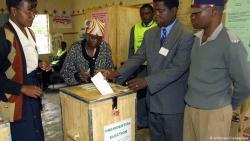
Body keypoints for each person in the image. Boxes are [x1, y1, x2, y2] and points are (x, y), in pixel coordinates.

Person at [99, 0, 194, 140]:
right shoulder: (150, 34)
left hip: (172, 105)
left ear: (174, 10)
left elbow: (177, 68)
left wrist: (147, 81)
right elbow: (137, 57)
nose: (156, 15)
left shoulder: (185, 35)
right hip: (153, 101)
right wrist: (116, 73)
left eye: (160, 11)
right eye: (155, 10)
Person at [184, 0, 250, 141]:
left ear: (214, 11)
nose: (192, 16)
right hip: (190, 109)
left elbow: (245, 84)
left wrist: (227, 105)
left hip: (214, 113)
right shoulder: (196, 39)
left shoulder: (230, 43)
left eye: (197, 12)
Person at [0, 0, 52, 141]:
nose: (33, 15)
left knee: (37, 132)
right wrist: (21, 88)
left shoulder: (30, 33)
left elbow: (24, 61)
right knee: (24, 134)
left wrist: (40, 64)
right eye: (28, 11)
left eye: (34, 11)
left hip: (31, 89)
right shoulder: (4, 36)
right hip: (14, 95)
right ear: (14, 11)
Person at [128, 3, 156, 129]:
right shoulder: (135, 28)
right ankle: (140, 121)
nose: (145, 16)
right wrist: (131, 69)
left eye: (148, 13)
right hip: (139, 67)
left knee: (152, 95)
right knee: (139, 95)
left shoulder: (158, 27)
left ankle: (151, 121)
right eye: (142, 14)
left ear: (153, 14)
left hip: (153, 67)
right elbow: (131, 48)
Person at [61, 19, 114, 86]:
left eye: (100, 38)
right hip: (79, 89)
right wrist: (78, 76)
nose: (96, 41)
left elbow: (111, 69)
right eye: (93, 38)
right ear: (87, 36)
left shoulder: (105, 47)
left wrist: (108, 74)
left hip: (100, 88)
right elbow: (64, 73)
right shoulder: (75, 49)